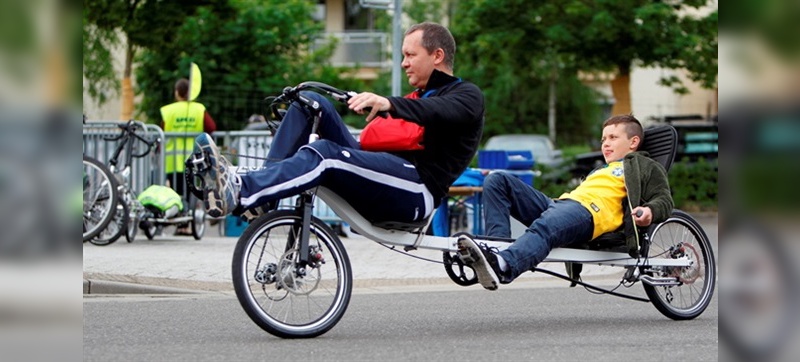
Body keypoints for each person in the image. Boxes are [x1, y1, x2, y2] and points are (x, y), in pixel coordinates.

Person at [187, 22, 484, 227]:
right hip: (382, 171)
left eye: (410, 55)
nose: (404, 63)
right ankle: (264, 200)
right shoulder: (416, 97)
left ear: (437, 56)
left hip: (416, 190)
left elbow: (438, 110)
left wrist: (389, 103)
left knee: (325, 152)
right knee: (311, 102)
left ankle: (241, 190)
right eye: (402, 56)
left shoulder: (465, 95)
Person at [458, 115, 673, 291]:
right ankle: (496, 249)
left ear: (633, 142)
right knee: (497, 179)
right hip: (563, 204)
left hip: (590, 213)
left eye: (613, 137)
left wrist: (649, 211)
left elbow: (664, 199)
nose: (605, 143)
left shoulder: (645, 166)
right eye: (603, 139)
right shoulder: (600, 170)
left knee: (546, 226)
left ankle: (504, 266)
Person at [161, 78, 216, 235]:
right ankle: (187, 223)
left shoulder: (168, 110)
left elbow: (161, 130)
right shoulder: (199, 109)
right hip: (194, 159)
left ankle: (181, 223)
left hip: (172, 161)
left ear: (177, 92)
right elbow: (211, 127)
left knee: (178, 193)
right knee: (192, 191)